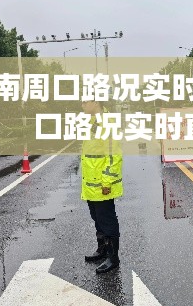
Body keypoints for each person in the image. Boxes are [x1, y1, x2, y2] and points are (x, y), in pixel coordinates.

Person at [80, 100, 123, 274]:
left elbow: (114, 155)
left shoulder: (107, 123)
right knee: (97, 218)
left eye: (85, 101)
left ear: (96, 101)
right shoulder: (92, 121)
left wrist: (106, 182)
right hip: (91, 184)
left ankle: (113, 258)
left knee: (107, 220)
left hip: (102, 184)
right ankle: (103, 249)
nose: (82, 104)